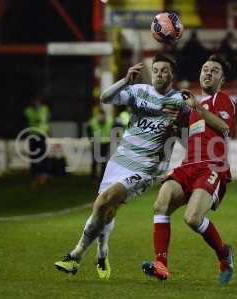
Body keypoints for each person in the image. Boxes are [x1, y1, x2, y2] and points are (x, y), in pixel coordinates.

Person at [54, 54, 188, 279]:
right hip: (120, 159)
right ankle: (102, 251)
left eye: (164, 71)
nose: (159, 75)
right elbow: (106, 98)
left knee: (104, 200)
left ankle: (75, 255)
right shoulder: (139, 91)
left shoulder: (180, 102)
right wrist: (126, 80)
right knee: (106, 210)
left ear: (172, 75)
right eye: (155, 70)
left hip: (146, 167)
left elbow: (186, 139)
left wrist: (176, 129)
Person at [141, 54, 236, 285]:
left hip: (212, 167)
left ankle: (224, 254)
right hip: (188, 167)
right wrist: (174, 126)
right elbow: (189, 136)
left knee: (192, 219)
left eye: (214, 71)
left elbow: (224, 127)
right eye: (205, 69)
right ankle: (161, 264)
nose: (208, 73)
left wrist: (197, 109)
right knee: (160, 203)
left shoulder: (223, 100)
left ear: (221, 79)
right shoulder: (193, 106)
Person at [23, 97, 50, 185]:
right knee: (34, 157)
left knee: (43, 156)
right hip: (32, 135)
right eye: (34, 101)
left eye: (37, 101)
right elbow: (34, 118)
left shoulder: (44, 109)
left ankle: (43, 176)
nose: (36, 103)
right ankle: (34, 176)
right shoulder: (29, 110)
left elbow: (41, 119)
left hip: (42, 134)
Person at [88, 107, 114, 179]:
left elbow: (113, 130)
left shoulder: (110, 121)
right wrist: (91, 139)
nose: (101, 117)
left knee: (104, 162)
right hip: (96, 144)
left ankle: (102, 176)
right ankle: (93, 177)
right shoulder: (93, 122)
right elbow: (89, 131)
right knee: (95, 161)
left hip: (106, 143)